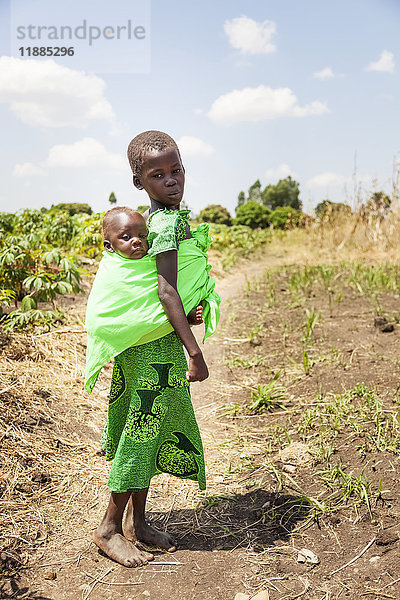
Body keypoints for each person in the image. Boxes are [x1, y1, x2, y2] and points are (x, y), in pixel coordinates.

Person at [86, 132, 219, 568]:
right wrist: (194, 351)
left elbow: (163, 289)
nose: (171, 180)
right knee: (140, 433)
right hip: (152, 351)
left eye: (175, 170)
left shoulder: (162, 217)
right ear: (139, 182)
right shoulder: (162, 223)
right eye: (157, 174)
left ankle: (138, 523)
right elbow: (164, 291)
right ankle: (109, 528)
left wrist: (185, 311)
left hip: (153, 342)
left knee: (152, 429)